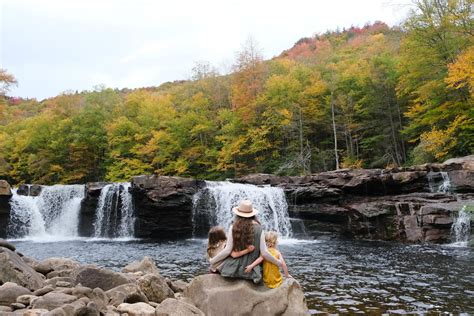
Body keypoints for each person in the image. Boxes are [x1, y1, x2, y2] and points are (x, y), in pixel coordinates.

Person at [209, 200, 283, 284]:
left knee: (214, 265)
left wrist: (213, 261)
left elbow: (227, 251)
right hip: (252, 270)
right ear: (253, 215)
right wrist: (278, 263)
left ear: (238, 214)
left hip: (232, 269)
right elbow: (265, 253)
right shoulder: (259, 228)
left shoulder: (233, 227)